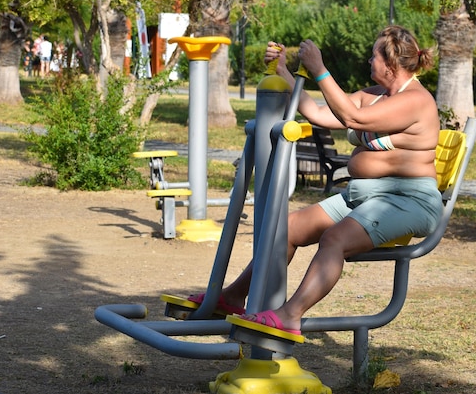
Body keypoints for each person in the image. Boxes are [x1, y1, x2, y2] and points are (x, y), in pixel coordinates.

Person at [189, 25, 443, 336]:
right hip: (365, 195)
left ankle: (291, 315)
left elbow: (354, 119)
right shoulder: (374, 96)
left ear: (390, 62)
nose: (368, 60)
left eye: (373, 55)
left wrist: (319, 69)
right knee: (288, 228)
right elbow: (320, 114)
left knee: (335, 239)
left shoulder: (416, 101)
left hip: (408, 200)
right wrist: (284, 70)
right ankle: (232, 297)